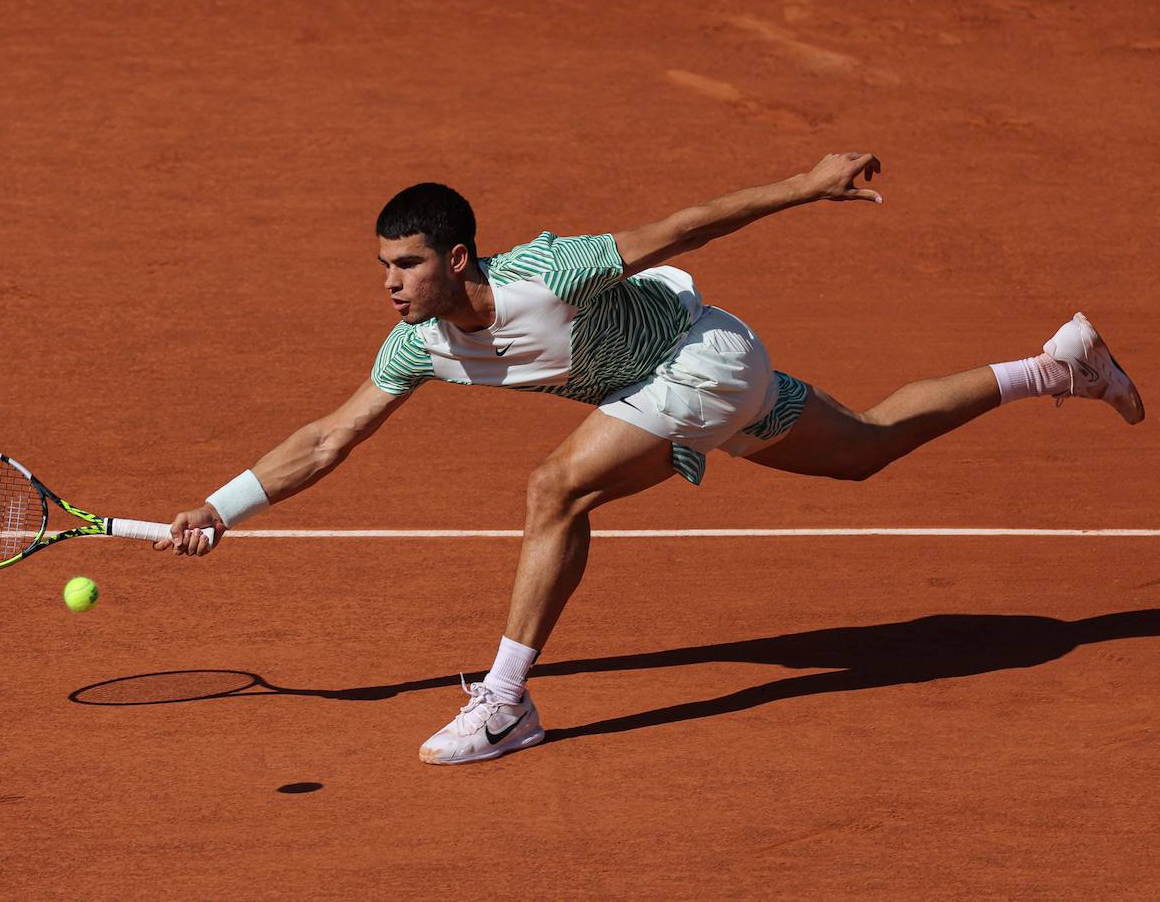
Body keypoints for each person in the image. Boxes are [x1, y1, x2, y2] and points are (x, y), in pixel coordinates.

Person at [155, 152, 1144, 765]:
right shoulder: (417, 347)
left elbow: (679, 227)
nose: (391, 284)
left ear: (459, 257)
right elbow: (331, 434)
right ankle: (1058, 365)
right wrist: (221, 504)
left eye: (407, 263)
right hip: (695, 389)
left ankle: (505, 703)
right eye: (382, 266)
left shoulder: (548, 270)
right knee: (864, 448)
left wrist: (805, 185)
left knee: (555, 488)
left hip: (698, 358)